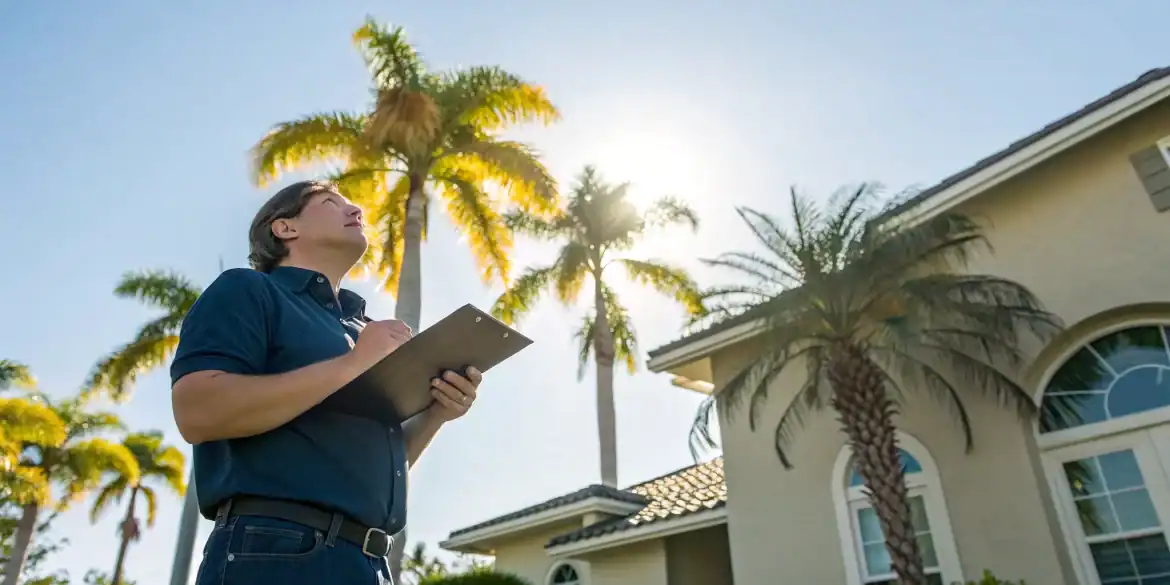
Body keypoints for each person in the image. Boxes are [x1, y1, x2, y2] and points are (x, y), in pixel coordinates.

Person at [170, 180, 481, 585]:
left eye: (353, 204)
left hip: (370, 563)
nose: (356, 211)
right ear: (284, 228)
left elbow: (378, 460)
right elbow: (197, 411)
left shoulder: (363, 328)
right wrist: (352, 364)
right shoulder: (248, 290)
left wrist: (437, 412)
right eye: (332, 203)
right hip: (275, 552)